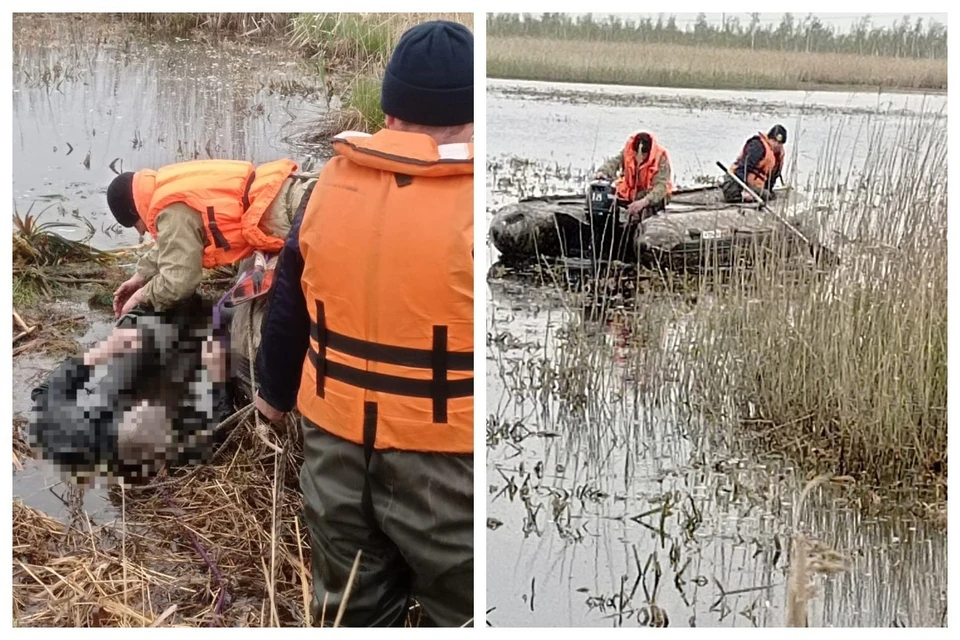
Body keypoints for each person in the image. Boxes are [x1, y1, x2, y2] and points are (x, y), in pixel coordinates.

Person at [253, 19, 474, 628]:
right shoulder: (475, 198)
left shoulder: (331, 181)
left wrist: (271, 398)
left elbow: (289, 298)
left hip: (334, 450)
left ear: (391, 104)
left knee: (350, 605)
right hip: (444, 459)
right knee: (462, 610)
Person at [30, 294, 228, 485]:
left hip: (121, 385)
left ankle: (157, 304)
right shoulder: (185, 447)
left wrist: (102, 352)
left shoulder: (78, 438)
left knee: (142, 334)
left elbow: (43, 392)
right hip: (173, 376)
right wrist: (217, 376)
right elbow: (221, 422)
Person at [106, 157, 317, 318]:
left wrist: (141, 296)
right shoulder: (166, 185)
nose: (141, 232)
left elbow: (178, 282)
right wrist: (139, 277)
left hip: (289, 216)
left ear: (134, 210)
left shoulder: (171, 211)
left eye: (135, 225)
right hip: (291, 191)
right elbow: (172, 241)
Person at [595, 131, 674, 221]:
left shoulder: (661, 157)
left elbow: (661, 186)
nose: (639, 157)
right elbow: (614, 162)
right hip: (631, 192)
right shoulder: (629, 150)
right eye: (636, 153)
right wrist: (603, 172)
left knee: (647, 207)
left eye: (643, 155)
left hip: (654, 195)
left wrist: (644, 202)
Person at [722, 124, 787, 203]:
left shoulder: (778, 156)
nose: (776, 145)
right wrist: (743, 189)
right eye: (774, 141)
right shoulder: (758, 146)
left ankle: (751, 196)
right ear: (768, 138)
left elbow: (772, 178)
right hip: (736, 180)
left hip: (755, 186)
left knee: (769, 195)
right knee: (733, 194)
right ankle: (741, 195)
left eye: (779, 143)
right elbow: (743, 168)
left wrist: (768, 189)